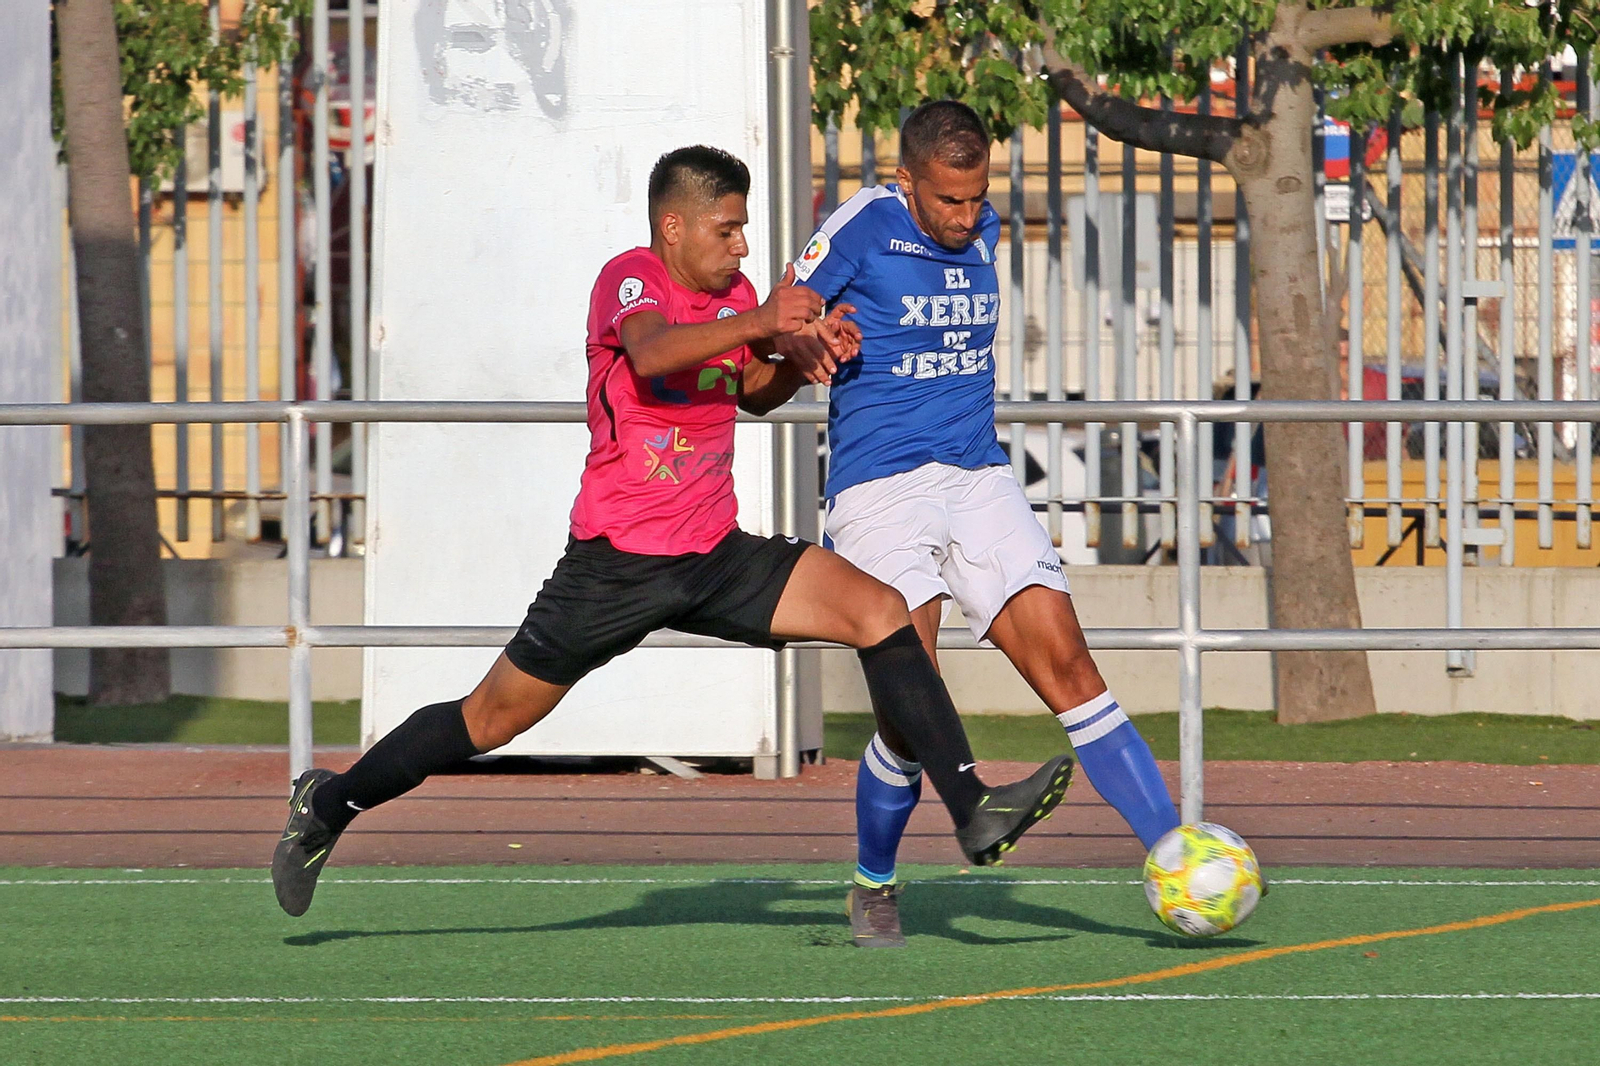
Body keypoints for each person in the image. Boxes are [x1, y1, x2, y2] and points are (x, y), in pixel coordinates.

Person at [273, 144, 1073, 918]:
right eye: (726, 229)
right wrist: (762, 317)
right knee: (489, 719)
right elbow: (654, 356)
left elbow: (755, 391)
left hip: (715, 557)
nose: (742, 244)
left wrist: (807, 354)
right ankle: (330, 802)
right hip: (616, 566)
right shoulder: (630, 281)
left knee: (882, 612)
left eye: (744, 228)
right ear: (674, 228)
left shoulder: (738, 297)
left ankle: (971, 807)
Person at [791, 102, 1180, 948]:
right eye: (949, 203)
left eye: (978, 200)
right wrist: (807, 339)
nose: (967, 219)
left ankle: (1174, 854)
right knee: (911, 692)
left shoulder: (987, 228)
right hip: (879, 487)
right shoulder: (861, 225)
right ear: (907, 183)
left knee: (1069, 661)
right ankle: (873, 881)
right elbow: (785, 314)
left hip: (979, 475)